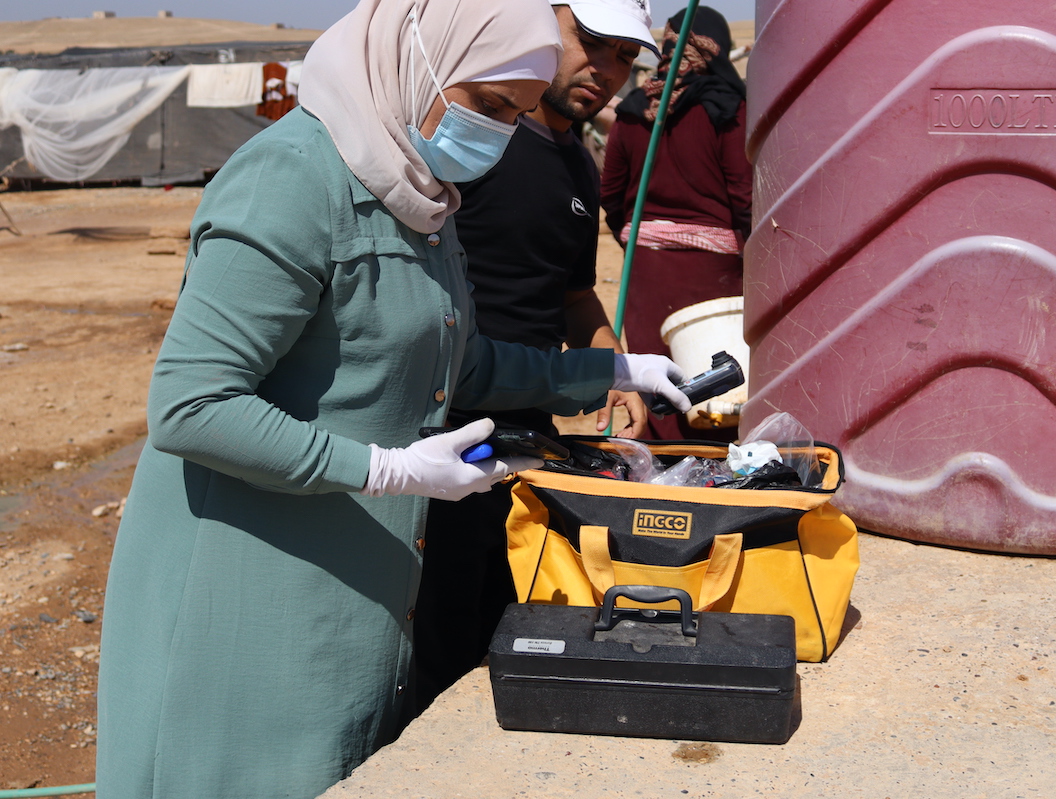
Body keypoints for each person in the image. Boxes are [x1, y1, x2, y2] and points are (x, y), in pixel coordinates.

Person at [93, 1, 690, 797]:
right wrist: (389, 469)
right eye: (487, 107)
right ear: (423, 61)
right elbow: (191, 404)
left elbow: (460, 362)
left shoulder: (423, 199)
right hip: (249, 593)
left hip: (356, 593)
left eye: (514, 115)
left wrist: (613, 373)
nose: (499, 135)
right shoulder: (294, 177)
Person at [410, 0, 659, 714]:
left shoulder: (579, 162)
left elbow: (574, 292)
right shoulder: (476, 139)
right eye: (593, 43)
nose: (606, 71)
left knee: (503, 620)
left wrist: (615, 367)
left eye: (625, 58)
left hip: (527, 431)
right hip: (441, 430)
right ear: (546, 19)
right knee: (437, 643)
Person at [600, 5, 752, 441]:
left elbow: (611, 194)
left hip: (645, 270)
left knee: (655, 379)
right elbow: (744, 196)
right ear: (717, 50)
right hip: (714, 274)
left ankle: (655, 478)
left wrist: (636, 238)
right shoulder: (728, 109)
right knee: (714, 386)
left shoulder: (632, 110)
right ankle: (706, 486)